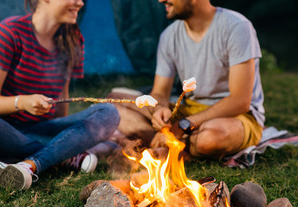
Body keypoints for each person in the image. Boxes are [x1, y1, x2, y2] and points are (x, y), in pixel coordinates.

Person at [0, 0, 120, 190]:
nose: (80, 3)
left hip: (36, 130)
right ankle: (61, 155)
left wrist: (65, 133)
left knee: (108, 112)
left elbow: (60, 105)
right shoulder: (10, 32)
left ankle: (28, 165)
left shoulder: (72, 38)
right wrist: (22, 102)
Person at [108, 0, 264, 161]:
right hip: (189, 111)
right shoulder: (169, 36)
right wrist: (159, 110)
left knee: (208, 139)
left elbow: (240, 101)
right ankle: (175, 144)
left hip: (236, 116)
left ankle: (169, 146)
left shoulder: (237, 26)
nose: (161, 0)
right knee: (112, 103)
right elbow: (160, 92)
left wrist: (184, 125)